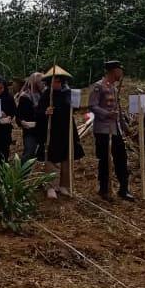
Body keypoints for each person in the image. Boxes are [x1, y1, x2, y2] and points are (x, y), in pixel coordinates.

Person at [35, 66, 84, 199]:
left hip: (66, 129)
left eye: (58, 81)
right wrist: (46, 112)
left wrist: (75, 105)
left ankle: (64, 185)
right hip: (52, 131)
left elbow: (74, 108)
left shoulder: (67, 93)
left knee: (66, 157)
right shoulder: (46, 95)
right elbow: (38, 113)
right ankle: (51, 186)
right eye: (54, 82)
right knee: (51, 158)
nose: (56, 84)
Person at [89, 60, 134, 201]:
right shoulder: (98, 86)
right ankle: (104, 189)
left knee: (121, 158)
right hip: (103, 130)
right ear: (114, 71)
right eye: (120, 70)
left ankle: (123, 189)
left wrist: (125, 127)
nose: (122, 73)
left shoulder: (114, 88)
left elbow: (118, 110)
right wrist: (107, 114)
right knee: (105, 160)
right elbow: (92, 106)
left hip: (116, 129)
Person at [16, 72, 44, 163]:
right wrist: (22, 122)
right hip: (30, 131)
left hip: (41, 129)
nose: (42, 84)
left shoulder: (43, 95)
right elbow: (19, 115)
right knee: (29, 152)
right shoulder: (25, 97)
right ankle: (22, 170)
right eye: (40, 82)